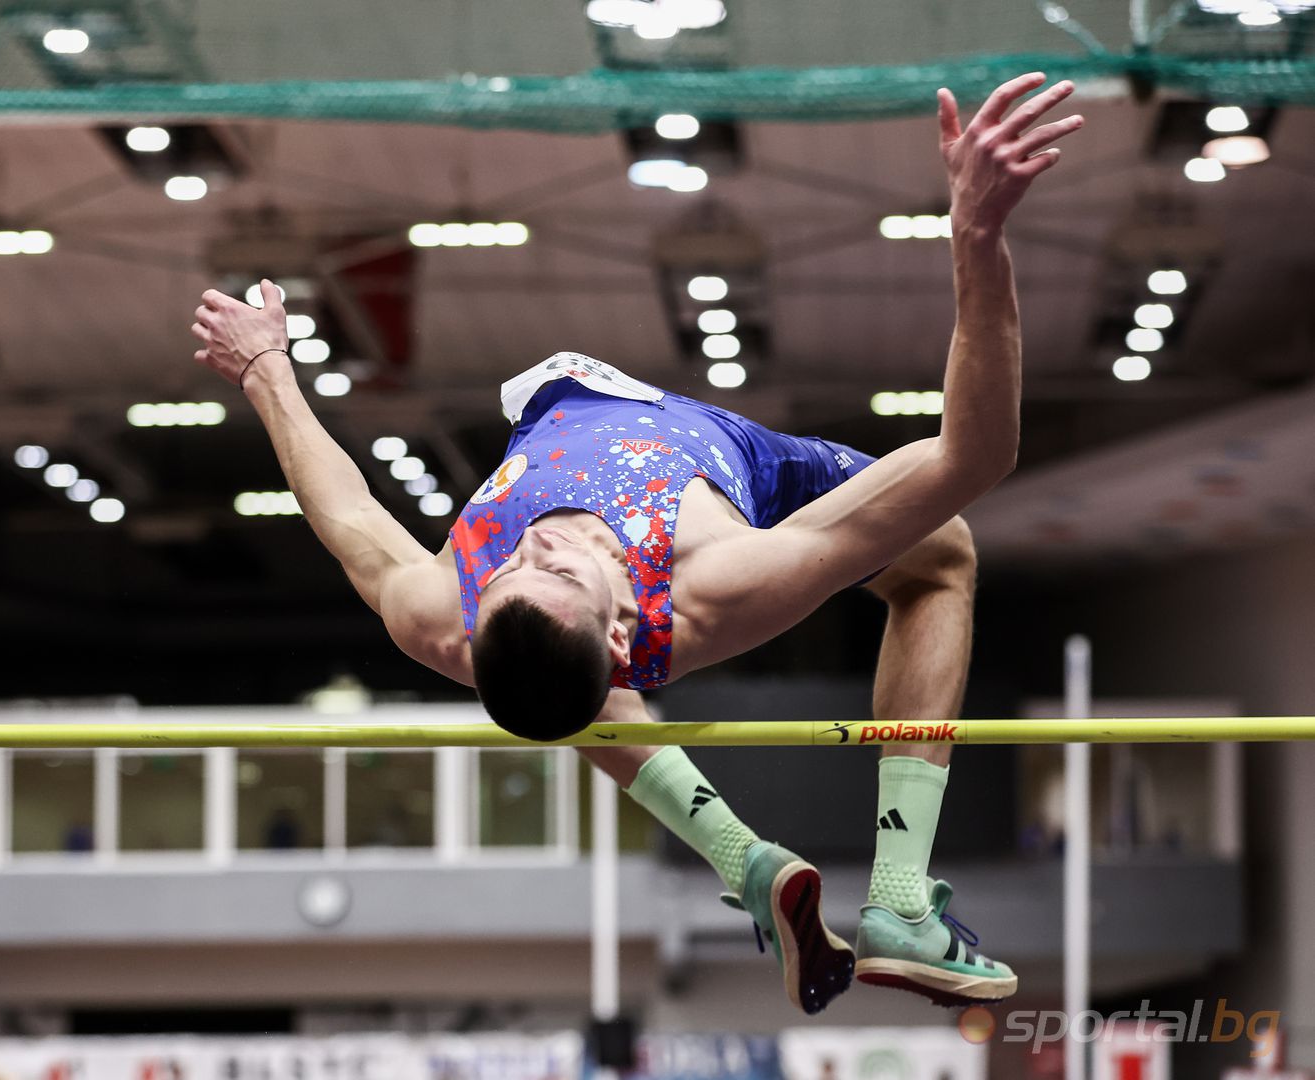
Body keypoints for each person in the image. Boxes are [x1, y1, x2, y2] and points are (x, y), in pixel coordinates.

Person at [190, 73, 1082, 1014]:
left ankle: (745, 862)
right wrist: (976, 237)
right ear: (625, 639)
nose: (533, 549)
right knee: (943, 558)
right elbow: (975, 453)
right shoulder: (723, 579)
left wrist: (266, 373)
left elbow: (352, 518)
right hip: (739, 463)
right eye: (558, 568)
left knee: (540, 671)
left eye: (512, 571)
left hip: (579, 495)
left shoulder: (446, 611)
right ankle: (901, 898)